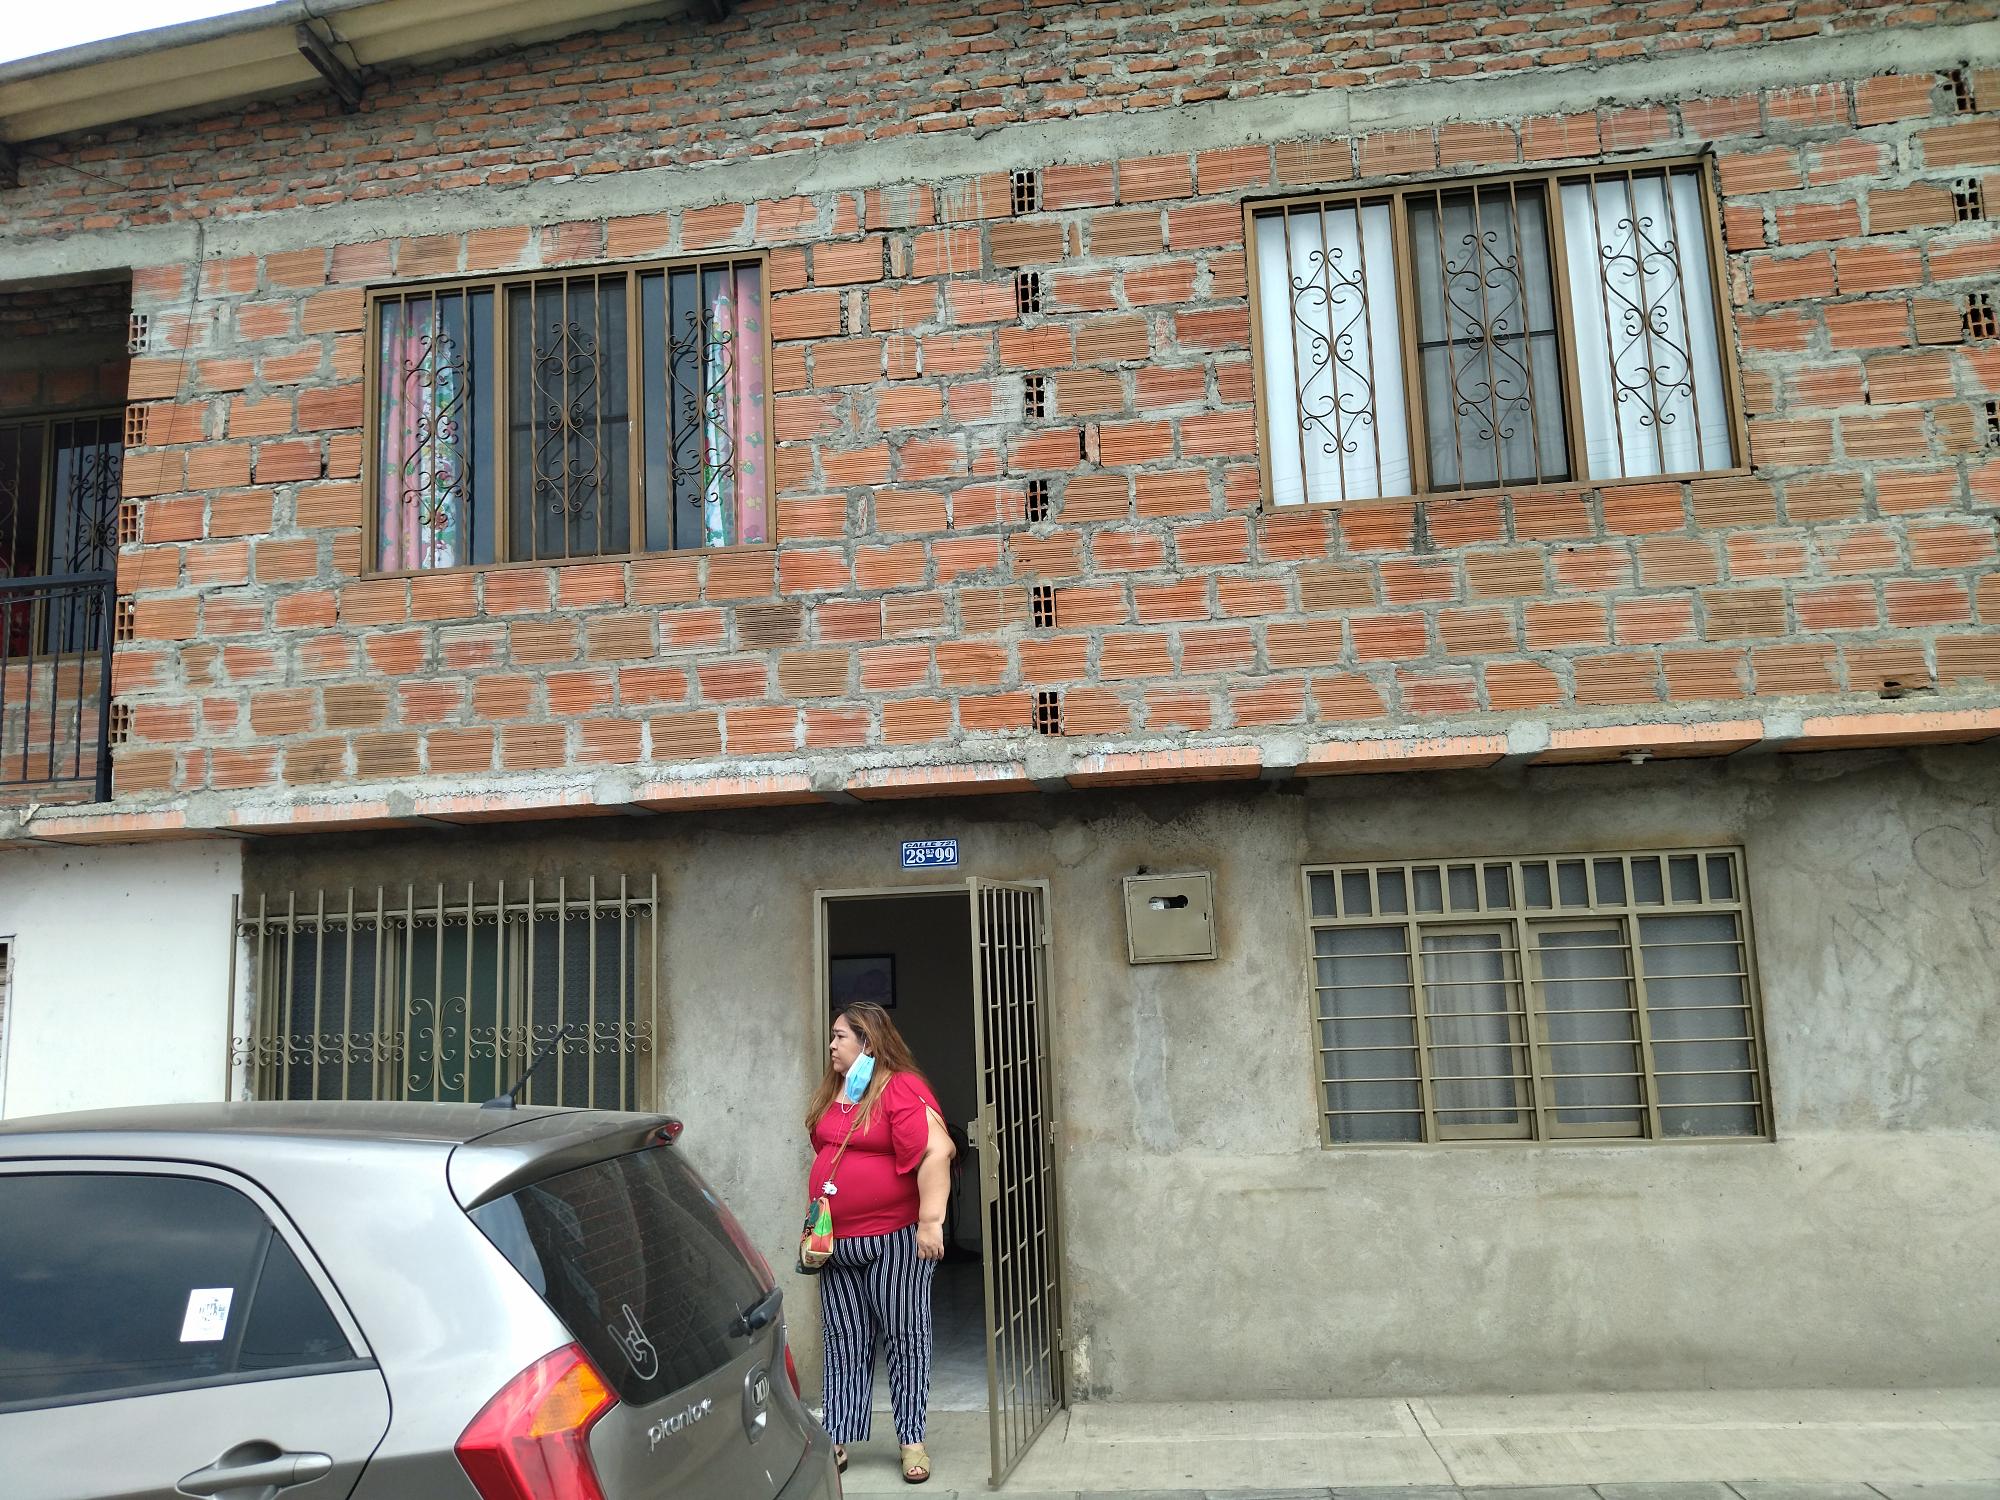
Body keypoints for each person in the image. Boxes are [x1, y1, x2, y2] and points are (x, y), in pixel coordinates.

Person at [805, 1001, 955, 1484]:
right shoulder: (838, 1088)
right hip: (837, 1243)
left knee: (905, 1337)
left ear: (867, 1042)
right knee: (843, 1338)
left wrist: (930, 1222)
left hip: (895, 1240)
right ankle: (838, 1437)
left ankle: (912, 1442)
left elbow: (938, 1151)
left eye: (840, 1036)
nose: (831, 1044)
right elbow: (828, 1149)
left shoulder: (901, 1087)